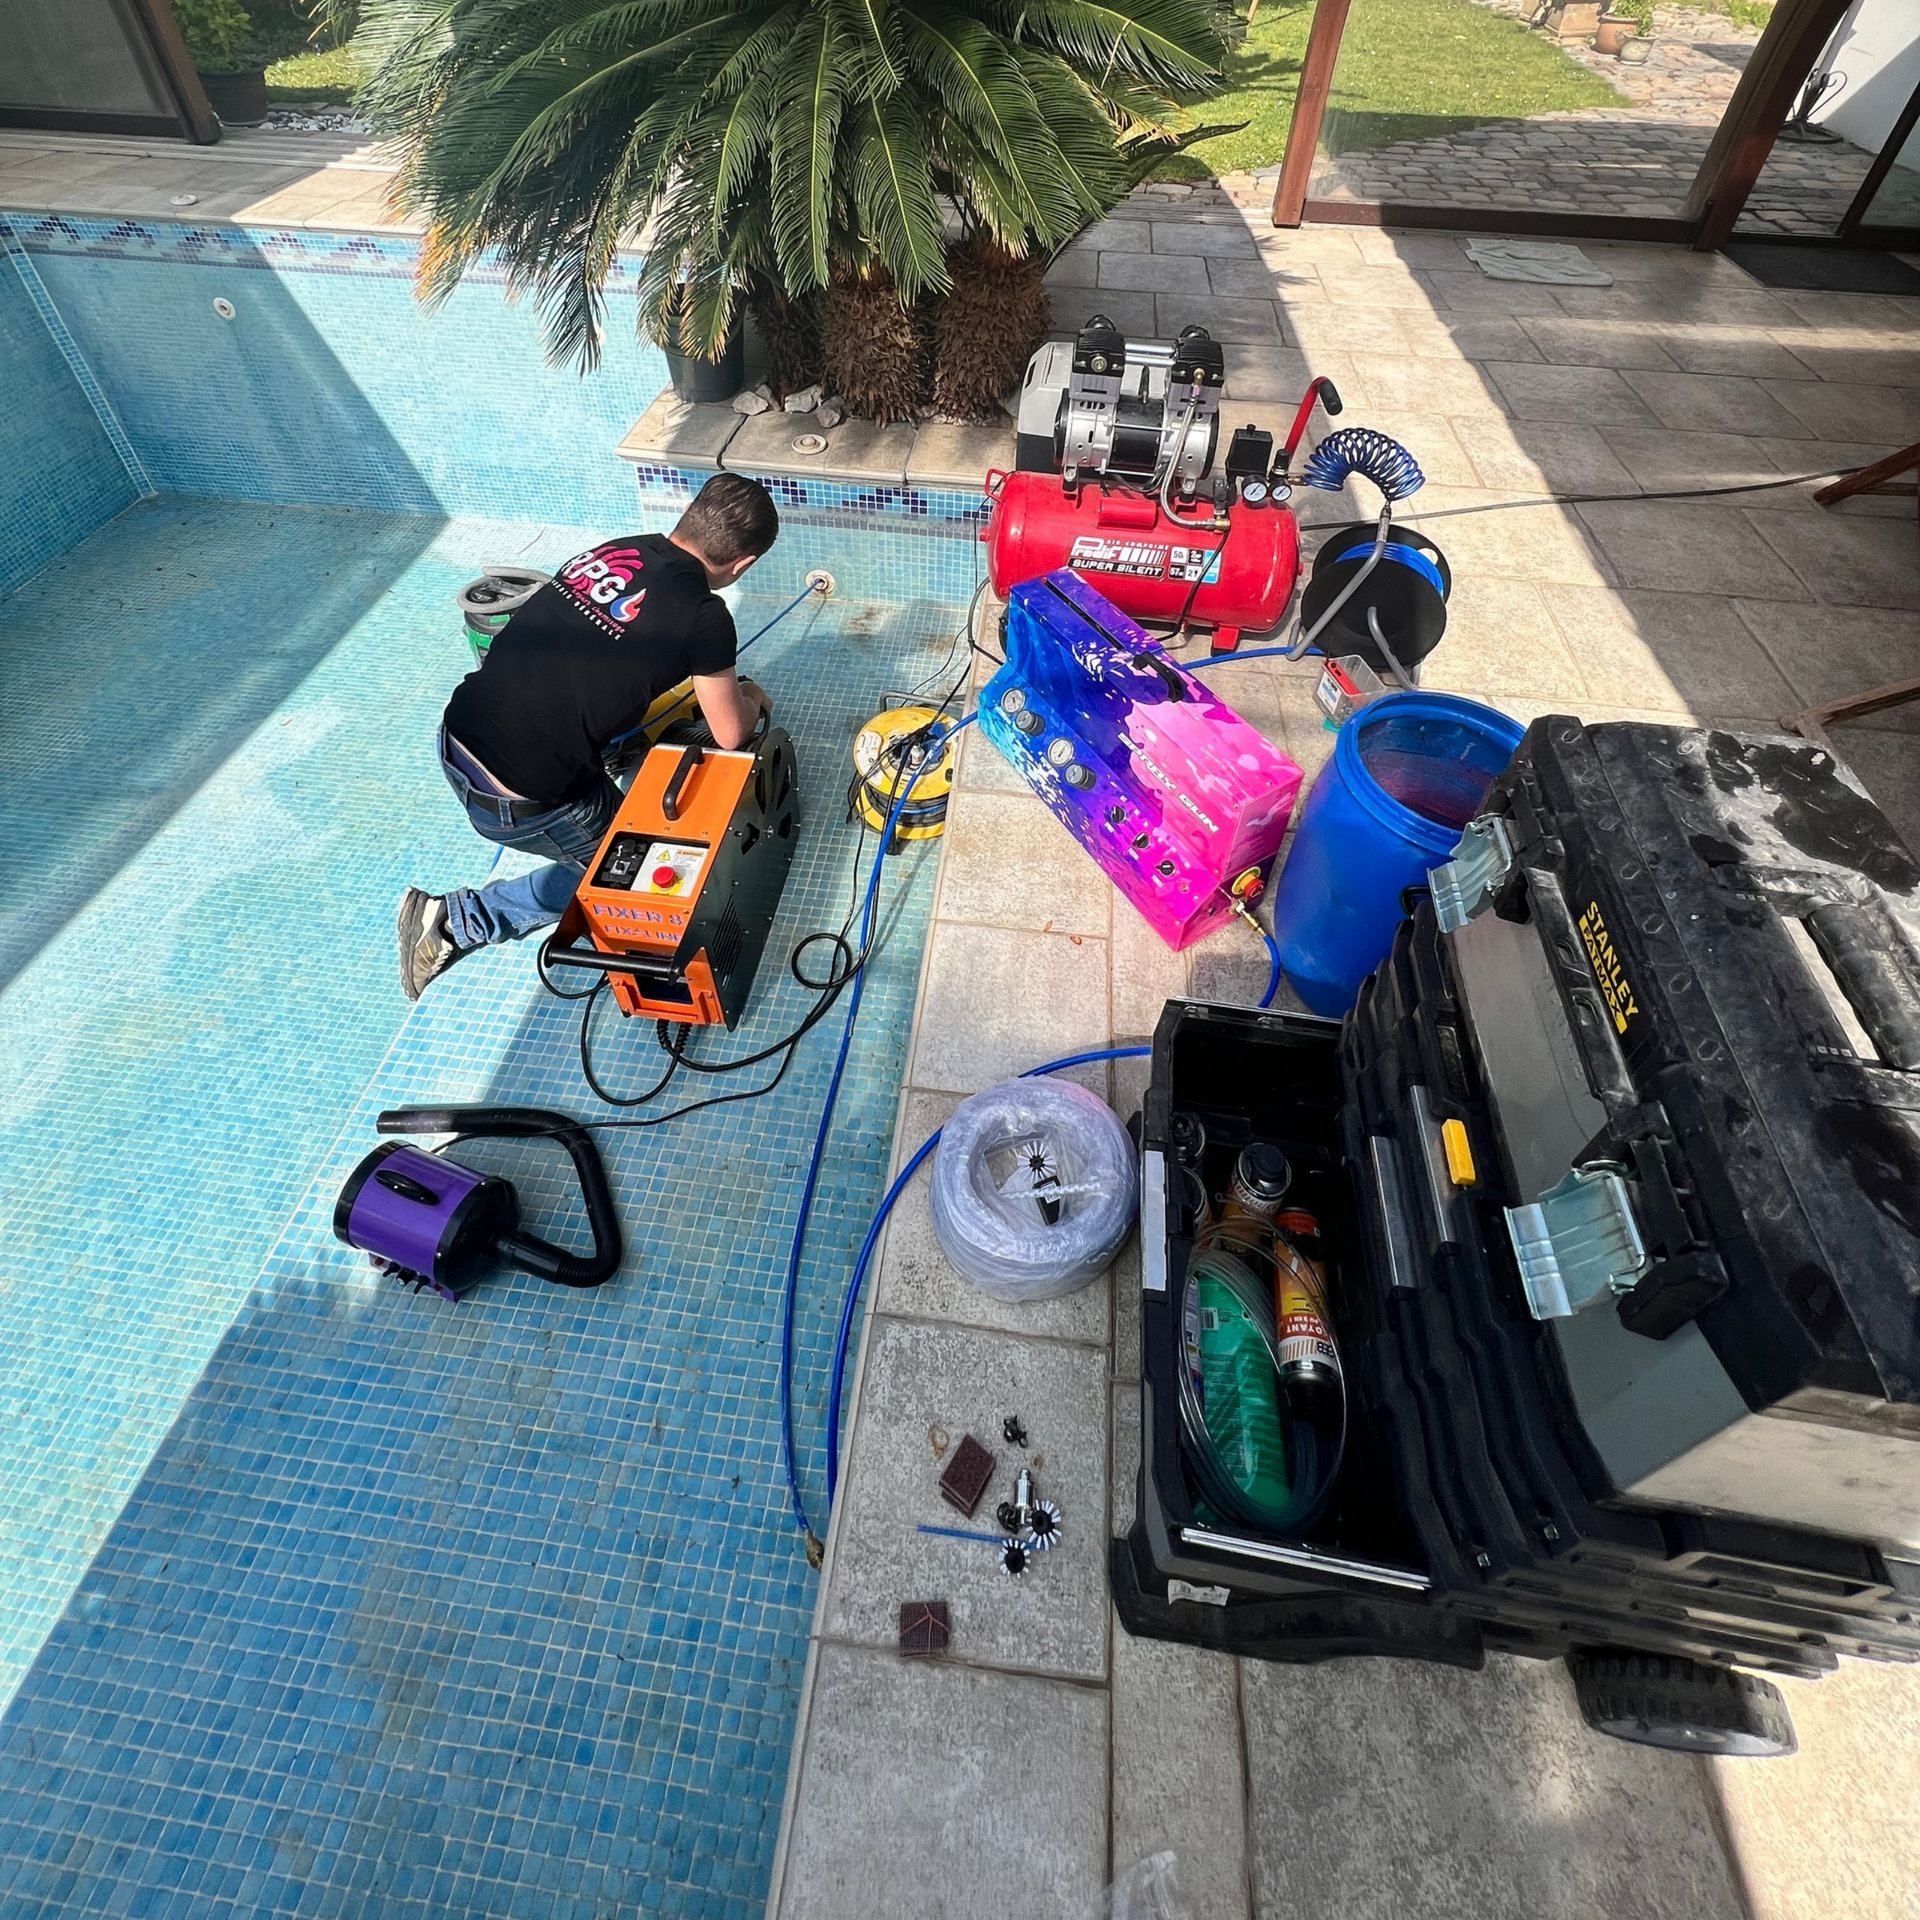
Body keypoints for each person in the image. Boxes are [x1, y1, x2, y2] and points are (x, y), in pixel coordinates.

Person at [397, 471, 779, 1000]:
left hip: (458, 733)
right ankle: (458, 922)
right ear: (743, 566)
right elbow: (732, 733)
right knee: (624, 875)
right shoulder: (705, 616)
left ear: (688, 518)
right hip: (518, 797)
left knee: (627, 715)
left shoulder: (612, 551)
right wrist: (752, 696)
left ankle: (618, 759)